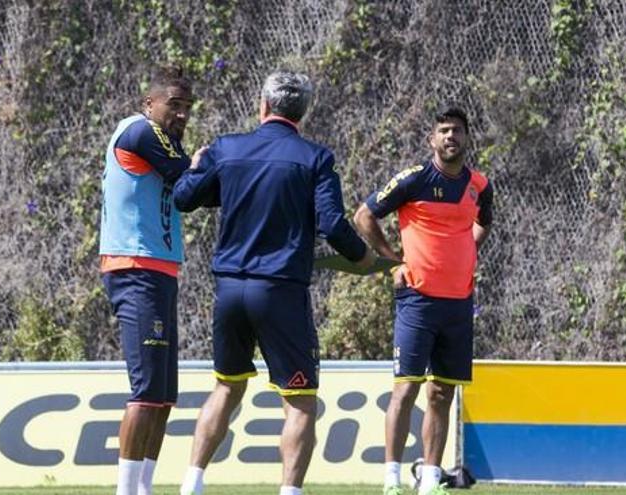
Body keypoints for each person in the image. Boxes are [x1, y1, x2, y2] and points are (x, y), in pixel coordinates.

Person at [173, 70, 375, 495]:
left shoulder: (227, 149)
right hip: (279, 290)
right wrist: (363, 257)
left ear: (262, 105)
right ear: (303, 112)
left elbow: (185, 198)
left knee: (226, 387)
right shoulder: (314, 157)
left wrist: (195, 168)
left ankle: (190, 485)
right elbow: (332, 224)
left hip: (229, 289)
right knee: (300, 401)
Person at [353, 107, 493, 495]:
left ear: (467, 139)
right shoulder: (413, 180)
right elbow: (364, 216)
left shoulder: (479, 185)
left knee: (442, 392)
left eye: (458, 131)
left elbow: (484, 221)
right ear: (432, 139)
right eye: (444, 131)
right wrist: (392, 263)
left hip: (458, 303)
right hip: (416, 300)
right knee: (406, 388)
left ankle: (430, 479)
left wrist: (467, 252)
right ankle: (392, 480)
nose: (451, 137)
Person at [99, 65, 197, 495]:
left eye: (187, 108)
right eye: (173, 105)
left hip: (160, 271)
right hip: (135, 268)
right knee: (144, 392)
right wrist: (202, 164)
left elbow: (194, 192)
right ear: (149, 103)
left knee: (162, 396)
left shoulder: (168, 149)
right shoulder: (138, 131)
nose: (182, 115)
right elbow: (188, 177)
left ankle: (144, 487)